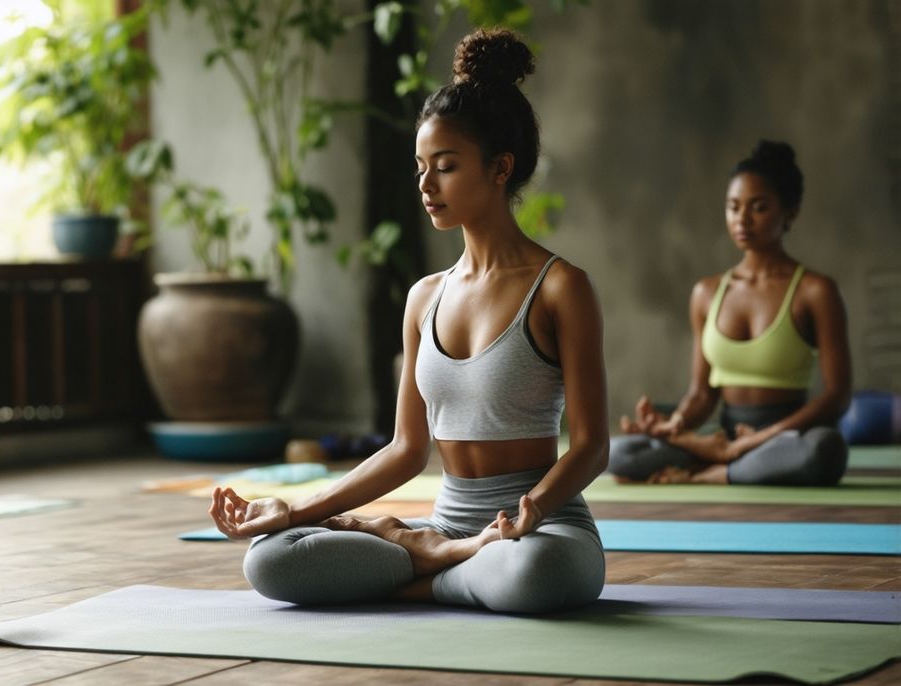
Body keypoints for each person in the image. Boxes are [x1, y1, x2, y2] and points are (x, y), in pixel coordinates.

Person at [209, 28, 609, 613]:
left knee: (537, 574)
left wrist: (536, 509)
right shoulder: (425, 297)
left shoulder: (560, 287)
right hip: (447, 525)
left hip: (536, 534)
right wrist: (293, 511)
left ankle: (426, 559)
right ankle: (437, 554)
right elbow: (405, 448)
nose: (425, 185)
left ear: (500, 168)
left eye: (445, 166)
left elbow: (593, 446)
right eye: (420, 166)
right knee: (272, 557)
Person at [609, 141, 851, 485]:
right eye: (733, 207)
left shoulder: (816, 291)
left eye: (759, 207)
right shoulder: (707, 293)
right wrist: (675, 423)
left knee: (825, 450)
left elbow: (837, 397)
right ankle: (723, 462)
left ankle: (708, 473)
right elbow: (703, 394)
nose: (742, 219)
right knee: (617, 453)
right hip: (724, 437)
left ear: (790, 212)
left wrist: (757, 440)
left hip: (786, 437)